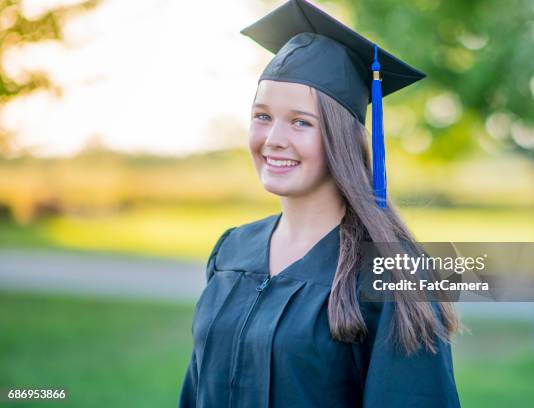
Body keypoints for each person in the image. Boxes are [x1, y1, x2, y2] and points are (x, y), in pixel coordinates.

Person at [179, 0, 461, 406]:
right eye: (262, 116)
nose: (273, 138)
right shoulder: (231, 250)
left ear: (341, 138)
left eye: (300, 122)